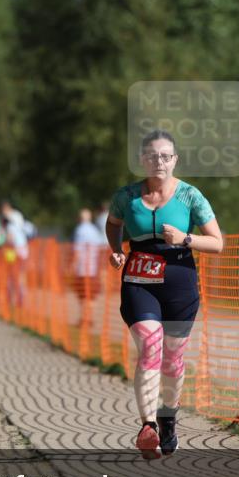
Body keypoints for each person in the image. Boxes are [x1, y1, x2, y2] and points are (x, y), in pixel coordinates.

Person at [106, 130, 224, 459]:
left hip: (179, 282)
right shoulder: (126, 196)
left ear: (175, 160)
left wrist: (186, 238)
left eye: (166, 156)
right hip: (139, 279)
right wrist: (116, 249)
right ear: (142, 160)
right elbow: (113, 224)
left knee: (172, 358)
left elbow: (217, 243)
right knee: (150, 347)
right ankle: (148, 427)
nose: (159, 161)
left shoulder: (190, 196)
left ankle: (168, 418)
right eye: (152, 156)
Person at [72, 207, 105, 325]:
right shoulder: (94, 230)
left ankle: (84, 318)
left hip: (82, 268)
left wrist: (73, 266)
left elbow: (77, 250)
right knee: (91, 295)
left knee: (82, 294)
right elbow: (101, 249)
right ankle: (89, 318)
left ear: (79, 218)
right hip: (93, 268)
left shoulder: (79, 230)